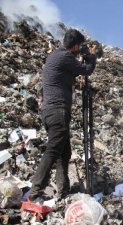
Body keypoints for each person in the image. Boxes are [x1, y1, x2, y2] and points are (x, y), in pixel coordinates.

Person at [29, 29, 97, 201]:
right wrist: (91, 57)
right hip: (57, 110)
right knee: (53, 150)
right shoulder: (66, 57)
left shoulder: (55, 56)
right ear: (74, 46)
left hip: (51, 111)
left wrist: (82, 56)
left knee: (64, 152)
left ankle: (63, 189)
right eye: (79, 47)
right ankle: (35, 192)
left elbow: (72, 72)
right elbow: (86, 70)